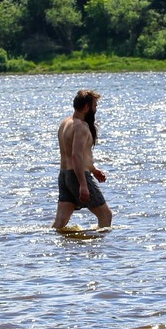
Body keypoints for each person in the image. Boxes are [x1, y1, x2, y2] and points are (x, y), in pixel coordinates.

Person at [54, 88, 111, 231]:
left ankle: (56, 248)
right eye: (94, 106)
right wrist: (83, 184)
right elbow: (76, 155)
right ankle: (101, 251)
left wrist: (93, 169)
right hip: (77, 175)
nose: (95, 110)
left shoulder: (65, 123)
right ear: (86, 107)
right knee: (105, 216)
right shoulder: (81, 126)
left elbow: (77, 154)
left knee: (60, 223)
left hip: (64, 175)